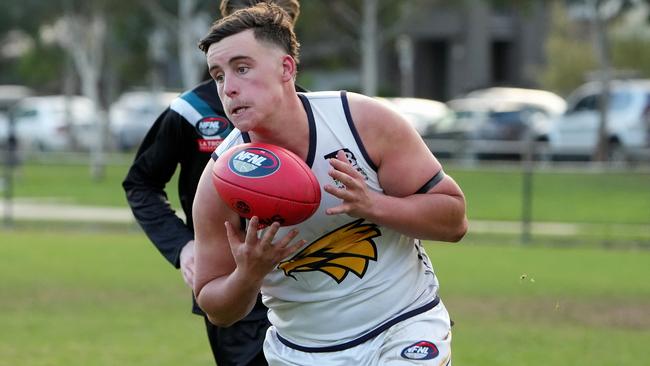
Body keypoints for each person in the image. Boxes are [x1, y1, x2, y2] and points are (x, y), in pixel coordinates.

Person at [192, 4, 468, 365]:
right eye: (218, 75)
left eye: (242, 69)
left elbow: (454, 221)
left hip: (404, 325)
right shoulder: (220, 181)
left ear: (286, 69)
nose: (228, 89)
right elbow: (216, 307)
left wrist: (375, 206)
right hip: (302, 351)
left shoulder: (362, 123)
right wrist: (248, 274)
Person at [122, 2, 301, 365]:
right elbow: (140, 182)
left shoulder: (309, 108)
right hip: (233, 288)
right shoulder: (192, 110)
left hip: (305, 285)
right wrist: (183, 247)